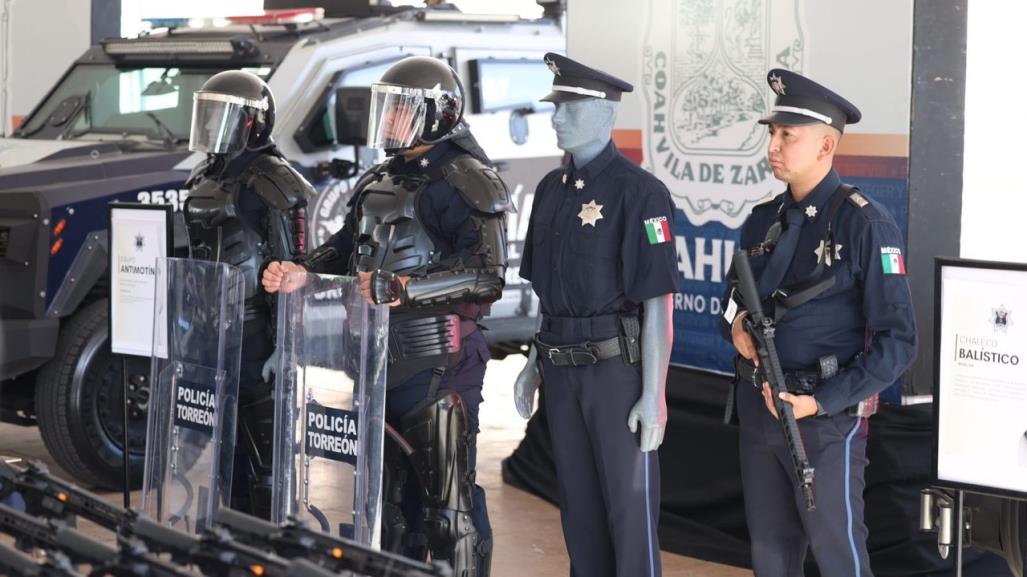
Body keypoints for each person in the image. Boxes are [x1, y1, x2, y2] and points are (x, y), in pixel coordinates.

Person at [262, 56, 507, 576]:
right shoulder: (379, 177)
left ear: (436, 115)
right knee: (389, 506)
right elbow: (346, 248)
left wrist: (406, 288)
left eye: (400, 110)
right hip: (372, 360)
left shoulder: (466, 179)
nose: (388, 121)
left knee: (449, 507)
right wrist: (301, 271)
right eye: (387, 109)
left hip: (439, 363)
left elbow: (488, 275)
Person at [721, 68, 917, 576]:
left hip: (825, 416)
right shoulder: (762, 220)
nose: (774, 145)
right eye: (771, 132)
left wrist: (822, 402)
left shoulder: (863, 222)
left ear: (826, 144)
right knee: (770, 551)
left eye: (788, 135)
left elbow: (898, 342)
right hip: (760, 404)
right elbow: (730, 299)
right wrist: (738, 326)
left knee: (838, 555)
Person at [513, 53, 679, 577]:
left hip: (615, 374)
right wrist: (532, 364)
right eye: (555, 107)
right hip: (561, 371)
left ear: (606, 115)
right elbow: (549, 293)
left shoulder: (641, 194)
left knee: (629, 517)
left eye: (569, 107)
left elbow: (658, 302)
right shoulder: (549, 191)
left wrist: (655, 395)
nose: (556, 118)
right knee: (579, 513)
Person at [182, 70, 312, 519]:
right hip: (208, 333)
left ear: (251, 122)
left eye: (222, 113)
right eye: (208, 110)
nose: (211, 122)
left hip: (257, 335)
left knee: (264, 466)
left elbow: (293, 268)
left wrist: (286, 347)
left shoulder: (275, 180)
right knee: (223, 457)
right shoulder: (205, 175)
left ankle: (268, 557)